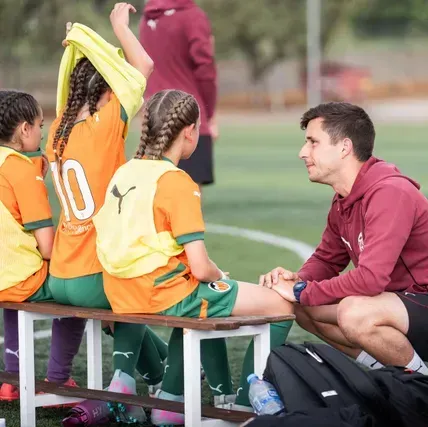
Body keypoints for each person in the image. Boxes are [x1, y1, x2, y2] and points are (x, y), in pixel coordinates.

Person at [92, 89, 293, 426]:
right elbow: (201, 268)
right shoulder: (177, 181)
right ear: (189, 131)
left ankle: (170, 401)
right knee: (282, 307)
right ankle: (241, 407)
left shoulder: (126, 172)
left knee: (201, 299)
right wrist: (219, 275)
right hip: (161, 292)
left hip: (120, 290)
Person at [261, 102, 428, 376]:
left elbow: (370, 279)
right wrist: (296, 281)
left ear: (344, 147)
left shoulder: (389, 192)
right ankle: (391, 377)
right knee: (303, 309)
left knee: (353, 312)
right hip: (402, 306)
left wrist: (301, 291)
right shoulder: (344, 199)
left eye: (313, 142)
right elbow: (326, 259)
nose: (302, 153)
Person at [47, 4, 167, 422]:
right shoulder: (105, 123)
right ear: (108, 87)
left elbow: (68, 92)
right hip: (91, 272)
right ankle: (144, 379)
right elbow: (145, 65)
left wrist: (77, 50)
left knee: (123, 294)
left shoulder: (56, 129)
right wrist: (118, 27)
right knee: (138, 286)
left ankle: (164, 369)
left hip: (61, 272)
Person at [0, 90, 85, 400]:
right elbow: (47, 247)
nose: (42, 131)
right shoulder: (21, 171)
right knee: (78, 287)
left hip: (3, 279)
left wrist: (34, 161)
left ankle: (12, 379)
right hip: (21, 278)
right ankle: (58, 380)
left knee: (14, 286)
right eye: (39, 125)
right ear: (25, 129)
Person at [139, 0, 218, 190]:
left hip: (154, 118)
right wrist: (210, 113)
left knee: (155, 200)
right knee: (187, 204)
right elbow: (205, 68)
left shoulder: (146, 19)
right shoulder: (192, 16)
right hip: (186, 116)